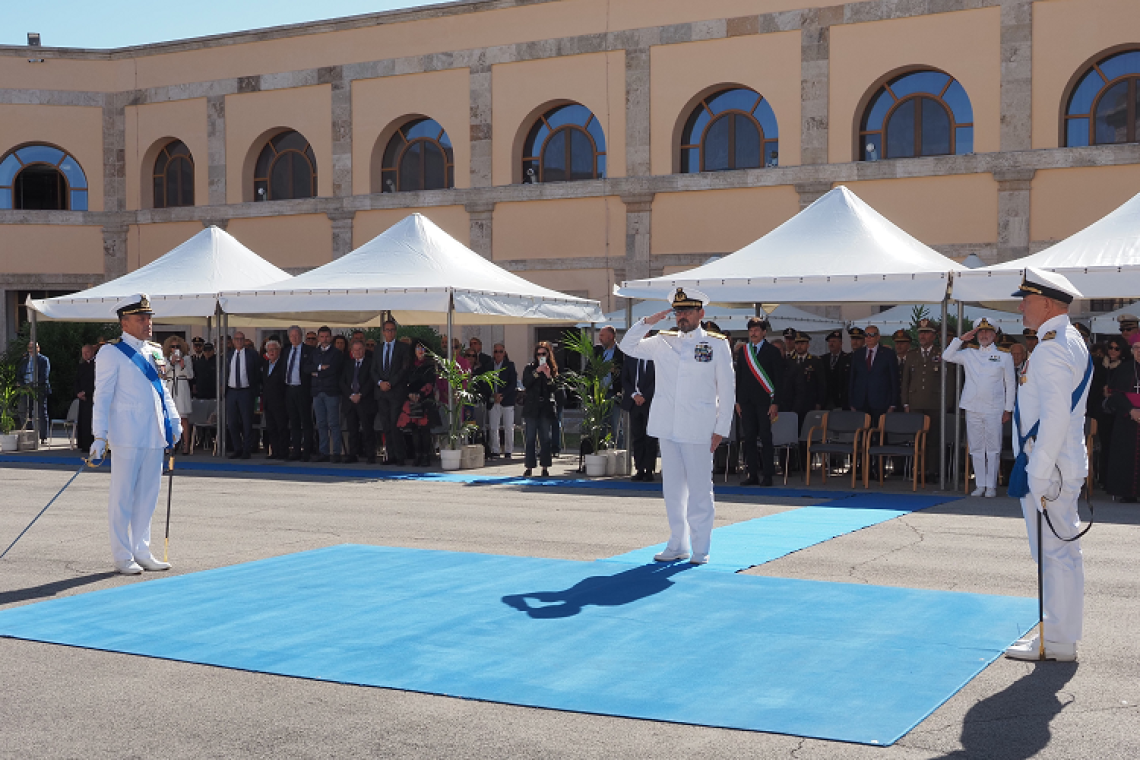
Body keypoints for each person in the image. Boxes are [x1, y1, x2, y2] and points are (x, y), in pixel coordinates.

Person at [1005, 269, 1091, 663]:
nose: (1020, 308)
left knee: (1053, 554)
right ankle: (1058, 635)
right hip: (1060, 462)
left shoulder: (1052, 348)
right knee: (1063, 553)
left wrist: (1037, 473)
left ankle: (1055, 640)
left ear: (1046, 303)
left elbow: (1055, 416)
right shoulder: (1068, 340)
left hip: (1050, 466)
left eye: (1026, 300)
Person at [619, 288, 734, 565]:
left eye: (687, 311)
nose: (682, 316)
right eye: (678, 312)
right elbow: (627, 346)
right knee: (672, 490)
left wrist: (721, 427)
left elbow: (727, 390)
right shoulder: (662, 341)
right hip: (667, 426)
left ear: (701, 314)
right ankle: (677, 544)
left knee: (699, 490)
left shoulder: (716, 344)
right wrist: (647, 322)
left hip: (699, 427)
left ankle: (700, 548)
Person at [89, 294, 181, 574]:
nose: (147, 323)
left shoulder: (154, 350)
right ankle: (122, 555)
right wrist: (100, 435)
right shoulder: (111, 352)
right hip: (127, 434)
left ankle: (142, 550)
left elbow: (163, 391)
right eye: (141, 318)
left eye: (149, 318)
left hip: (154, 433)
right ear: (124, 323)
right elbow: (102, 396)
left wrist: (174, 421)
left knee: (147, 496)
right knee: (123, 497)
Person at [943, 318, 1015, 496]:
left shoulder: (1004, 356)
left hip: (994, 408)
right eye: (980, 332)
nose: (984, 335)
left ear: (994, 335)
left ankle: (991, 486)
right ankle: (980, 484)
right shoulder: (969, 353)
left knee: (993, 448)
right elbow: (947, 356)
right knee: (976, 447)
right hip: (972, 406)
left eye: (987, 332)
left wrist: (1008, 409)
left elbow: (1010, 384)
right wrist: (961, 339)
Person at [735, 316, 783, 486]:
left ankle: (768, 474)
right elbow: (739, 377)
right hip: (747, 401)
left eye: (756, 330)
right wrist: (738, 401)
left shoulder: (772, 351)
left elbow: (779, 379)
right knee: (749, 437)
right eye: (751, 330)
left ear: (764, 332)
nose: (753, 333)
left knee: (765, 437)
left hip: (765, 401)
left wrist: (775, 402)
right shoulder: (744, 351)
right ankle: (752, 474)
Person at [900, 319, 946, 477]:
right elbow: (906, 380)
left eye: (926, 333)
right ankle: (918, 471)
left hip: (935, 403)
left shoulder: (940, 353)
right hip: (916, 402)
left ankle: (932, 471)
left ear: (933, 336)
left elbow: (948, 381)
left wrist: (946, 403)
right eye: (920, 333)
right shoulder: (912, 355)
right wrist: (905, 403)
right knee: (918, 439)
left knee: (933, 439)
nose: (922, 336)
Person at [1103, 335, 1140, 502]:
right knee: (1125, 456)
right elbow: (1115, 394)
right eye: (1136, 348)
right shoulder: (1124, 369)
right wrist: (1131, 410)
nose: (1139, 351)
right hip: (1126, 419)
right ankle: (1127, 493)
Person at [372, 319, 412, 465]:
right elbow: (373, 369)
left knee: (396, 424)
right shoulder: (378, 348)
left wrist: (391, 383)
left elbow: (404, 368)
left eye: (392, 330)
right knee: (386, 425)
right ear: (383, 332)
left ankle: (400, 456)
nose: (390, 332)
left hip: (396, 391)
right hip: (381, 392)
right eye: (387, 330)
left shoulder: (403, 348)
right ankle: (390, 455)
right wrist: (380, 383)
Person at [305, 326, 344, 463]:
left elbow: (333, 371)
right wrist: (319, 368)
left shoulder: (336, 353)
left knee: (333, 423)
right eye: (322, 337)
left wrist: (316, 373)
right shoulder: (314, 352)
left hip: (331, 391)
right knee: (321, 423)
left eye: (327, 336)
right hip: (317, 391)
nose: (324, 339)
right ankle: (324, 452)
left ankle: (336, 452)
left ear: (331, 337)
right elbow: (306, 368)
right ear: (318, 338)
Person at [521, 342, 560, 477]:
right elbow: (526, 382)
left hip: (545, 408)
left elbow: (554, 388)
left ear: (548, 354)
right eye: (538, 354)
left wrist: (548, 376)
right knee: (530, 438)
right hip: (532, 407)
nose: (541, 356)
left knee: (545, 438)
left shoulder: (552, 369)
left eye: (544, 354)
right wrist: (537, 372)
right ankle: (529, 466)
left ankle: (545, 467)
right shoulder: (530, 368)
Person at [1092, 335, 1127, 488]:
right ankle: (1102, 479)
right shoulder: (1099, 364)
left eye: (1116, 348)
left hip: (1117, 411)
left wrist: (1112, 393)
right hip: (1100, 411)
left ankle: (1111, 480)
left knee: (1115, 446)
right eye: (1110, 348)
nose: (1113, 351)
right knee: (1103, 445)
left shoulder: (1125, 367)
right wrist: (1102, 391)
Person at [848, 325, 898, 424]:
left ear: (878, 337)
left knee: (880, 430)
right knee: (862, 430)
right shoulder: (858, 354)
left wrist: (893, 403)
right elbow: (852, 379)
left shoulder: (888, 354)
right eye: (866, 335)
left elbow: (894, 379)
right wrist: (851, 401)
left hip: (881, 401)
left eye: (871, 335)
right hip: (861, 401)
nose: (868, 337)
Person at [398, 340, 438, 467]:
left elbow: (431, 383)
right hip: (411, 399)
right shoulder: (409, 365)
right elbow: (404, 382)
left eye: (422, 348)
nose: (420, 351)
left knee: (425, 430)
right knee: (414, 429)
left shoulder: (431, 365)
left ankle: (426, 456)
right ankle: (417, 455)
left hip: (425, 399)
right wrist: (409, 394)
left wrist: (420, 394)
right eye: (417, 348)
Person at [225, 329, 261, 459]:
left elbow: (257, 372)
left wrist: (254, 390)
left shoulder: (251, 354)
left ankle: (247, 449)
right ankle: (237, 448)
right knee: (232, 422)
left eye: (241, 339)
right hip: (232, 391)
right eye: (237, 339)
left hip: (246, 391)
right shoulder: (229, 355)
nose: (239, 341)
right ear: (233, 341)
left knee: (247, 422)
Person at [622, 349, 657, 481]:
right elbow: (624, 379)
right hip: (634, 403)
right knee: (637, 436)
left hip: (650, 402)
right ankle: (640, 469)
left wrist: (645, 396)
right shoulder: (631, 357)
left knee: (650, 437)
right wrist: (634, 395)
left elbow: (658, 380)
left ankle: (649, 470)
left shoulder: (655, 357)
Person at [340, 339, 377, 464]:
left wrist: (360, 394)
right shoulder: (347, 364)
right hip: (350, 401)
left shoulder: (371, 363)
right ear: (351, 351)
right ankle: (353, 454)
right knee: (352, 429)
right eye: (355, 350)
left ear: (364, 349)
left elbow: (371, 381)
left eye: (360, 349)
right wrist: (351, 395)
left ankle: (370, 454)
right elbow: (342, 381)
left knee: (367, 429)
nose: (358, 352)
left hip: (365, 401)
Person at [281, 325, 314, 461]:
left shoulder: (309, 351)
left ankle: (307, 451)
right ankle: (295, 451)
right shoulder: (286, 351)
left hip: (303, 389)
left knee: (306, 421)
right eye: (292, 336)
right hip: (289, 389)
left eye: (297, 335)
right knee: (294, 422)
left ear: (301, 336)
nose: (294, 338)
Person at [783, 332, 826, 426]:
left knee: (808, 427)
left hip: (809, 402)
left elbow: (821, 383)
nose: (799, 346)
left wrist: (819, 402)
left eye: (802, 343)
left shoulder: (815, 361)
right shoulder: (789, 361)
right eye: (797, 344)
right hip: (792, 403)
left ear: (808, 345)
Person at [162, 336, 195, 455]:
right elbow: (163, 374)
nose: (175, 349)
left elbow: (190, 375)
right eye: (172, 346)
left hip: (181, 387)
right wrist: (171, 363)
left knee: (183, 417)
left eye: (177, 346)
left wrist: (183, 365)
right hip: (170, 385)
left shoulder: (186, 358)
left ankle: (186, 445)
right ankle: (171, 444)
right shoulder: (165, 359)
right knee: (169, 417)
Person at [595, 326, 625, 448]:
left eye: (602, 335)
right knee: (600, 426)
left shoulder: (621, 352)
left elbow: (626, 371)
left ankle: (618, 452)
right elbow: (588, 369)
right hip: (600, 393)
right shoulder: (597, 350)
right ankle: (601, 451)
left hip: (615, 393)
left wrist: (616, 370)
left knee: (616, 426)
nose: (600, 338)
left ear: (611, 336)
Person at [487, 343, 518, 460]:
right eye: (496, 351)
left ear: (504, 353)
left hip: (507, 400)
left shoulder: (510, 365)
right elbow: (486, 383)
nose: (498, 354)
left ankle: (508, 450)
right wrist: (493, 395)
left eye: (500, 351)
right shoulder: (489, 366)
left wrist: (502, 395)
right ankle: (495, 450)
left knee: (508, 427)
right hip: (493, 400)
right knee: (493, 427)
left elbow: (513, 383)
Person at [260, 339, 289, 459]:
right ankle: (274, 451)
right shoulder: (266, 365)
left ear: (279, 351)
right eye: (269, 350)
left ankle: (283, 452)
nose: (271, 352)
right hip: (268, 401)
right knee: (271, 428)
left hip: (280, 401)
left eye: (274, 349)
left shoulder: (283, 364)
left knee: (281, 427)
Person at [16, 341, 50, 442]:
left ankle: (43, 437)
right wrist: (24, 386)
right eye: (30, 348)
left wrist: (32, 386)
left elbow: (44, 376)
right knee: (24, 412)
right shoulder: (24, 360)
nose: (31, 350)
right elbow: (19, 375)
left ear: (38, 348)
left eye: (34, 348)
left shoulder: (44, 360)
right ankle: (29, 436)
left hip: (39, 389)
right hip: (26, 390)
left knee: (41, 413)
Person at [74, 344, 96, 451]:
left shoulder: (97, 365)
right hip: (83, 399)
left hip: (93, 398)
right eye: (83, 353)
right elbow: (76, 381)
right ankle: (84, 444)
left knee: (92, 422)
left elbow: (96, 382)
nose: (85, 355)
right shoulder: (81, 366)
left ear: (92, 352)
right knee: (84, 422)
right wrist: (78, 393)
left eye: (87, 352)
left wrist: (87, 392)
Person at [822, 329, 850, 410]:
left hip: (841, 399)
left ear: (841, 343)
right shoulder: (823, 359)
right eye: (830, 342)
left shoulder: (848, 359)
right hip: (826, 399)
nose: (831, 344)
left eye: (834, 341)